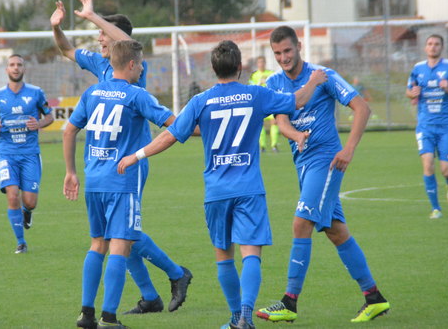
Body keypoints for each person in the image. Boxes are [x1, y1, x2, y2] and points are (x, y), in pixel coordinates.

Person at [118, 40, 327, 329]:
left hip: (216, 192)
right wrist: (314, 80)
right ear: (240, 67)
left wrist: (136, 155)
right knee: (251, 254)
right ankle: (245, 317)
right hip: (249, 189)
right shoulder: (256, 94)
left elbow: (171, 135)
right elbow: (298, 100)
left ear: (214, 69)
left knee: (224, 258)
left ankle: (234, 319)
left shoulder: (201, 101)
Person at [52, 0, 192, 315]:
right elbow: (64, 48)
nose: (100, 38)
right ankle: (154, 293)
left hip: (131, 161)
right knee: (122, 235)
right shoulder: (100, 66)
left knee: (122, 235)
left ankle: (172, 275)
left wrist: (92, 15)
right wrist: (57, 27)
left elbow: (124, 41)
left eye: (104, 33)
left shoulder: (133, 73)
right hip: (104, 164)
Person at [256, 25, 390, 323]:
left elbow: (362, 108)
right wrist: (296, 136)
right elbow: (281, 122)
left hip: (327, 161)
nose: (283, 58)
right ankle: (374, 297)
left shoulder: (322, 74)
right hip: (304, 165)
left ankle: (289, 302)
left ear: (299, 46)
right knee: (336, 231)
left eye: (287, 51)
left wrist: (349, 149)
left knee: (300, 223)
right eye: (277, 53)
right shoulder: (275, 81)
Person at [63, 40, 177, 329]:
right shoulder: (136, 95)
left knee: (97, 244)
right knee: (120, 247)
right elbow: (175, 125)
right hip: (122, 181)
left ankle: (86, 315)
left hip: (94, 180)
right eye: (140, 64)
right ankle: (109, 319)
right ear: (130, 64)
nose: (142, 68)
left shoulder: (92, 92)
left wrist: (70, 172)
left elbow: (69, 130)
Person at [0, 54, 54, 254]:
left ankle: (27, 212)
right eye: (12, 65)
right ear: (6, 69)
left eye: (19, 65)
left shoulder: (36, 93)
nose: (15, 68)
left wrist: (39, 123)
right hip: (7, 153)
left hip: (30, 153)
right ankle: (21, 242)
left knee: (30, 201)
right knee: (12, 195)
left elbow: (49, 116)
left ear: (24, 69)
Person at [406, 34, 448, 219]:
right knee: (427, 165)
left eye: (436, 44)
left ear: (441, 47)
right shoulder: (417, 68)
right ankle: (436, 209)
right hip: (425, 126)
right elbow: (409, 91)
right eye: (430, 44)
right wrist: (413, 93)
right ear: (425, 48)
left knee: (446, 169)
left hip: (447, 126)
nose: (433, 47)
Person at [248, 55, 279, 152]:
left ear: (265, 63)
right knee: (260, 124)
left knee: (274, 122)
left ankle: (274, 145)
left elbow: (275, 87)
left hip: (270, 101)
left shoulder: (271, 73)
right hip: (259, 103)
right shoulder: (254, 75)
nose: (261, 64)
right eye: (259, 62)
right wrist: (259, 83)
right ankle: (262, 146)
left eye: (262, 62)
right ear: (257, 64)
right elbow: (252, 89)